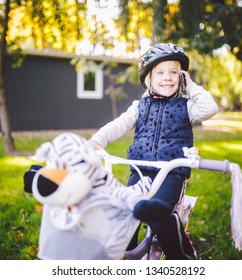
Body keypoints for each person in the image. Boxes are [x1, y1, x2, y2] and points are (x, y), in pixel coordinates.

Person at [88, 43, 219, 260]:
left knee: (160, 213)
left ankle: (184, 257)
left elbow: (210, 108)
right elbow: (118, 125)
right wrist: (97, 141)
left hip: (171, 173)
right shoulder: (139, 106)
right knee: (126, 210)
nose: (167, 77)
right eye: (160, 72)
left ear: (182, 77)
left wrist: (191, 85)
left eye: (174, 73)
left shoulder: (186, 107)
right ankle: (125, 255)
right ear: (149, 78)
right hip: (140, 172)